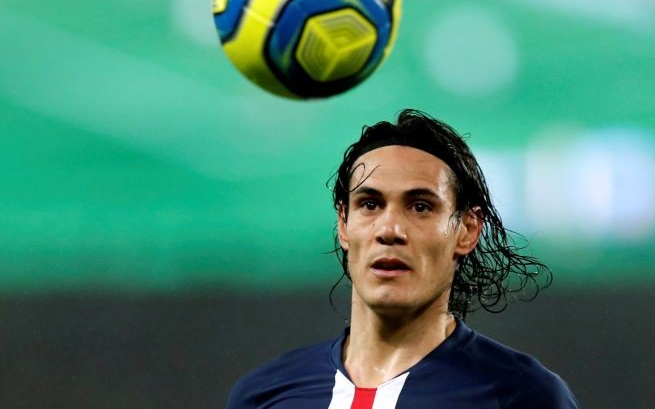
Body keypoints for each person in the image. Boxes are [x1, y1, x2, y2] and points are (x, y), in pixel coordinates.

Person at [227, 109, 579, 408]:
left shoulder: (523, 396)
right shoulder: (264, 396)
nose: (390, 229)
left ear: (467, 230)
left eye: (421, 206)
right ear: (344, 224)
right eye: (369, 204)